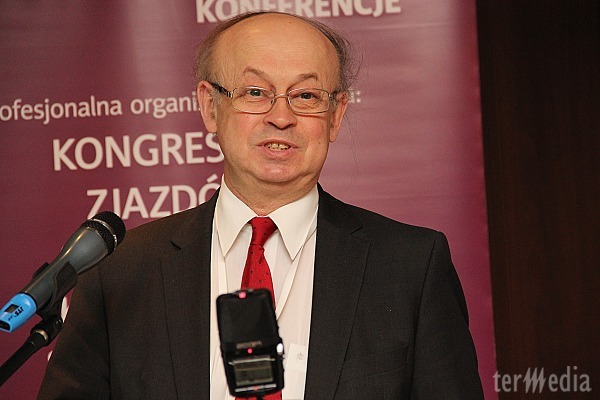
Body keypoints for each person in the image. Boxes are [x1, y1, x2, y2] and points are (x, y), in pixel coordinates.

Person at [37, 11, 484, 400]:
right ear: (210, 107)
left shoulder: (410, 266)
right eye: (255, 92)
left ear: (336, 115)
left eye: (306, 96)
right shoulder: (122, 270)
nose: (281, 117)